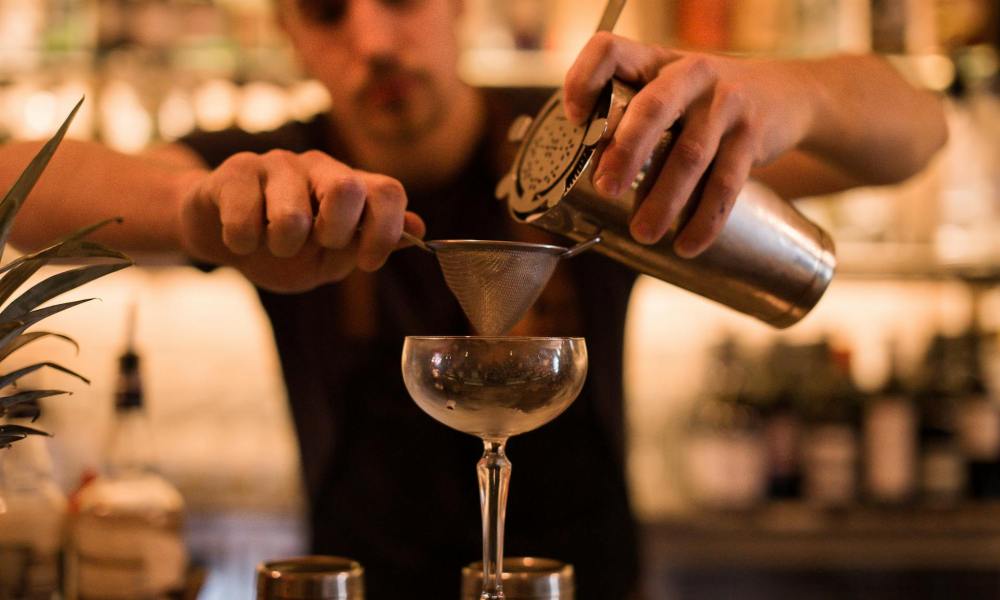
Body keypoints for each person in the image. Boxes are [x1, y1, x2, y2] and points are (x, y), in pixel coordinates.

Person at [0, 0, 947, 597]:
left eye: (404, 1)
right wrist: (197, 211)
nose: (374, 38)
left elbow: (918, 129)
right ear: (290, 31)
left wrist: (793, 97)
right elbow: (19, 187)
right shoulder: (282, 176)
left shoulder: (594, 148)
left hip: (588, 582)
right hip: (355, 580)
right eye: (329, 11)